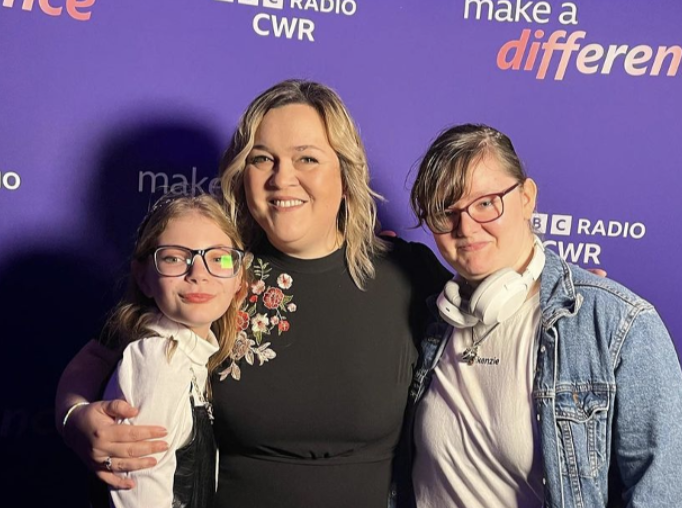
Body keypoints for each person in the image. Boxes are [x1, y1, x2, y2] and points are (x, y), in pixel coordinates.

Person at [55, 80, 450, 507]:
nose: (283, 178)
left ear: (345, 171)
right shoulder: (216, 270)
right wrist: (74, 419)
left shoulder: (405, 273)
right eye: (264, 159)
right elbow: (97, 357)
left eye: (307, 158)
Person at [405, 124, 682, 508]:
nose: (465, 227)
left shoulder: (617, 324)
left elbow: (665, 496)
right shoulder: (431, 319)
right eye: (446, 212)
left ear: (526, 198)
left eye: (486, 202)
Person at [88, 193, 248, 508]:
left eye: (218, 258)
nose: (198, 274)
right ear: (144, 278)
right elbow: (140, 497)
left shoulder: (192, 356)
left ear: (239, 281)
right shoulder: (159, 360)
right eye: (175, 258)